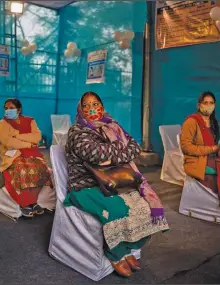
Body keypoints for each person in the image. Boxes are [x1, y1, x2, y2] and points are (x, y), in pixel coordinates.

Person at [64, 91, 169, 278]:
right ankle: (116, 253)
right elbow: (96, 155)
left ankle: (128, 246)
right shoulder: (77, 131)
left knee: (145, 207)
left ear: (102, 107)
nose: (91, 109)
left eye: (95, 104)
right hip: (85, 186)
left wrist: (111, 155)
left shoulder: (112, 125)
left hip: (115, 181)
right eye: (86, 106)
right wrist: (119, 149)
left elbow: (134, 147)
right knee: (118, 210)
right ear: (80, 109)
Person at [180, 91, 220, 217]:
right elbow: (186, 147)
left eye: (211, 103)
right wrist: (212, 149)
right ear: (199, 105)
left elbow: (215, 145)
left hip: (211, 157)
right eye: (205, 103)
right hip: (196, 161)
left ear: (214, 105)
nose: (208, 105)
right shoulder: (191, 121)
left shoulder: (213, 122)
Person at [0, 98, 54, 217]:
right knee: (22, 169)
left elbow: (37, 137)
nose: (8, 110)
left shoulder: (30, 120)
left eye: (11, 108)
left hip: (32, 153)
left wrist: (17, 135)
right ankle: (25, 203)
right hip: (13, 155)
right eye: (6, 108)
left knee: (41, 168)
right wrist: (28, 144)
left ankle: (33, 201)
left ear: (19, 109)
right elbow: (9, 142)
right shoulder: (2, 123)